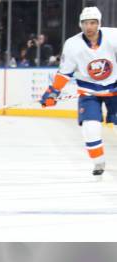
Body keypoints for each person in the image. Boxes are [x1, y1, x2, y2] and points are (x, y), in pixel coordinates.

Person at [41, 7, 115, 175]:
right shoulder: (72, 44)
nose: (89, 27)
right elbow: (64, 73)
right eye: (85, 23)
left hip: (114, 89)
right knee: (90, 128)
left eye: (93, 23)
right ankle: (99, 162)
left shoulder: (113, 36)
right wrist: (53, 92)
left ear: (99, 24)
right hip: (89, 92)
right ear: (80, 24)